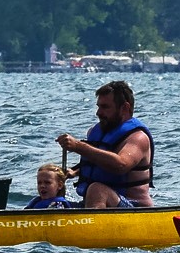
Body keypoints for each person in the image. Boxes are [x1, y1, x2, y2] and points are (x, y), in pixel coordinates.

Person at [57, 80, 153, 208]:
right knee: (51, 200)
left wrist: (78, 146)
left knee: (97, 190)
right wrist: (74, 172)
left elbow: (121, 165)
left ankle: (91, 227)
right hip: (97, 205)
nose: (98, 113)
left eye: (105, 107)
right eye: (98, 106)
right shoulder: (95, 132)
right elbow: (99, 162)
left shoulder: (137, 138)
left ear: (125, 108)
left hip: (134, 207)